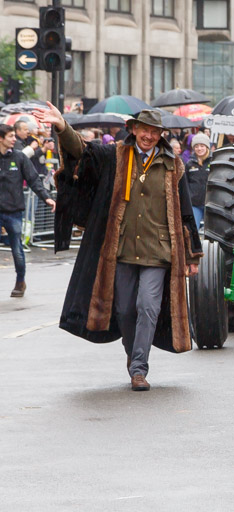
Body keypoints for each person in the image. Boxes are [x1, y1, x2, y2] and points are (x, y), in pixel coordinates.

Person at [34, 104, 202, 391]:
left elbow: (186, 212)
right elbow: (82, 151)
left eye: (154, 131)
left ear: (161, 134)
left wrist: (192, 255)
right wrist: (62, 127)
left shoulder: (174, 164)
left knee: (147, 307)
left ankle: (139, 368)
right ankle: (132, 353)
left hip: (158, 251)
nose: (148, 136)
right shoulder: (115, 156)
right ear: (133, 129)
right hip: (122, 248)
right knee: (125, 310)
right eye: (144, 130)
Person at [0, 124, 55, 297]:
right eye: (10, 136)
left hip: (14, 211)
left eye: (14, 136)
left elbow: (33, 180)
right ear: (1, 139)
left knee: (17, 248)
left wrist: (46, 197)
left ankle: (20, 282)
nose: (14, 139)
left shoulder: (20, 157)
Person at [185, 134, 212, 230]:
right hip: (194, 204)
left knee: (211, 230)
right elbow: (185, 183)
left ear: (207, 147)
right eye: (196, 146)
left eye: (202, 146)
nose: (199, 148)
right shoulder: (189, 163)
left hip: (210, 203)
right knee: (193, 230)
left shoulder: (213, 162)